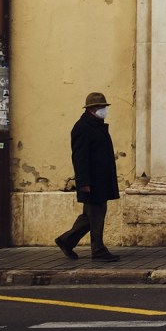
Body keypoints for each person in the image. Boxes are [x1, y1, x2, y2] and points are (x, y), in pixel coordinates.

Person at [54, 91, 121, 262]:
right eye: (101, 107)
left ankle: (66, 241)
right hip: (92, 181)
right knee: (96, 214)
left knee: (89, 216)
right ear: (92, 108)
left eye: (104, 107)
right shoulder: (83, 128)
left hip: (100, 180)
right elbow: (79, 157)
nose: (104, 110)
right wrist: (83, 182)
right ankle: (98, 250)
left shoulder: (97, 125)